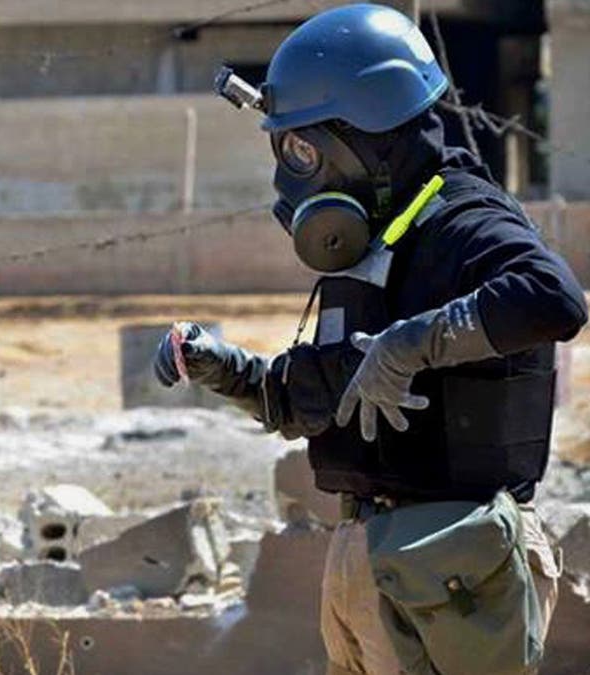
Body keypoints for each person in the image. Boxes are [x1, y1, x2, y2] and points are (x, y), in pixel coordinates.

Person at [154, 5, 585, 674]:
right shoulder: (373, 245)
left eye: (302, 148)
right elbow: (328, 392)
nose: (293, 174)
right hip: (368, 560)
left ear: (368, 134)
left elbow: (552, 297)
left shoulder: (465, 221)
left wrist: (410, 344)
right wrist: (233, 372)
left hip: (453, 568)